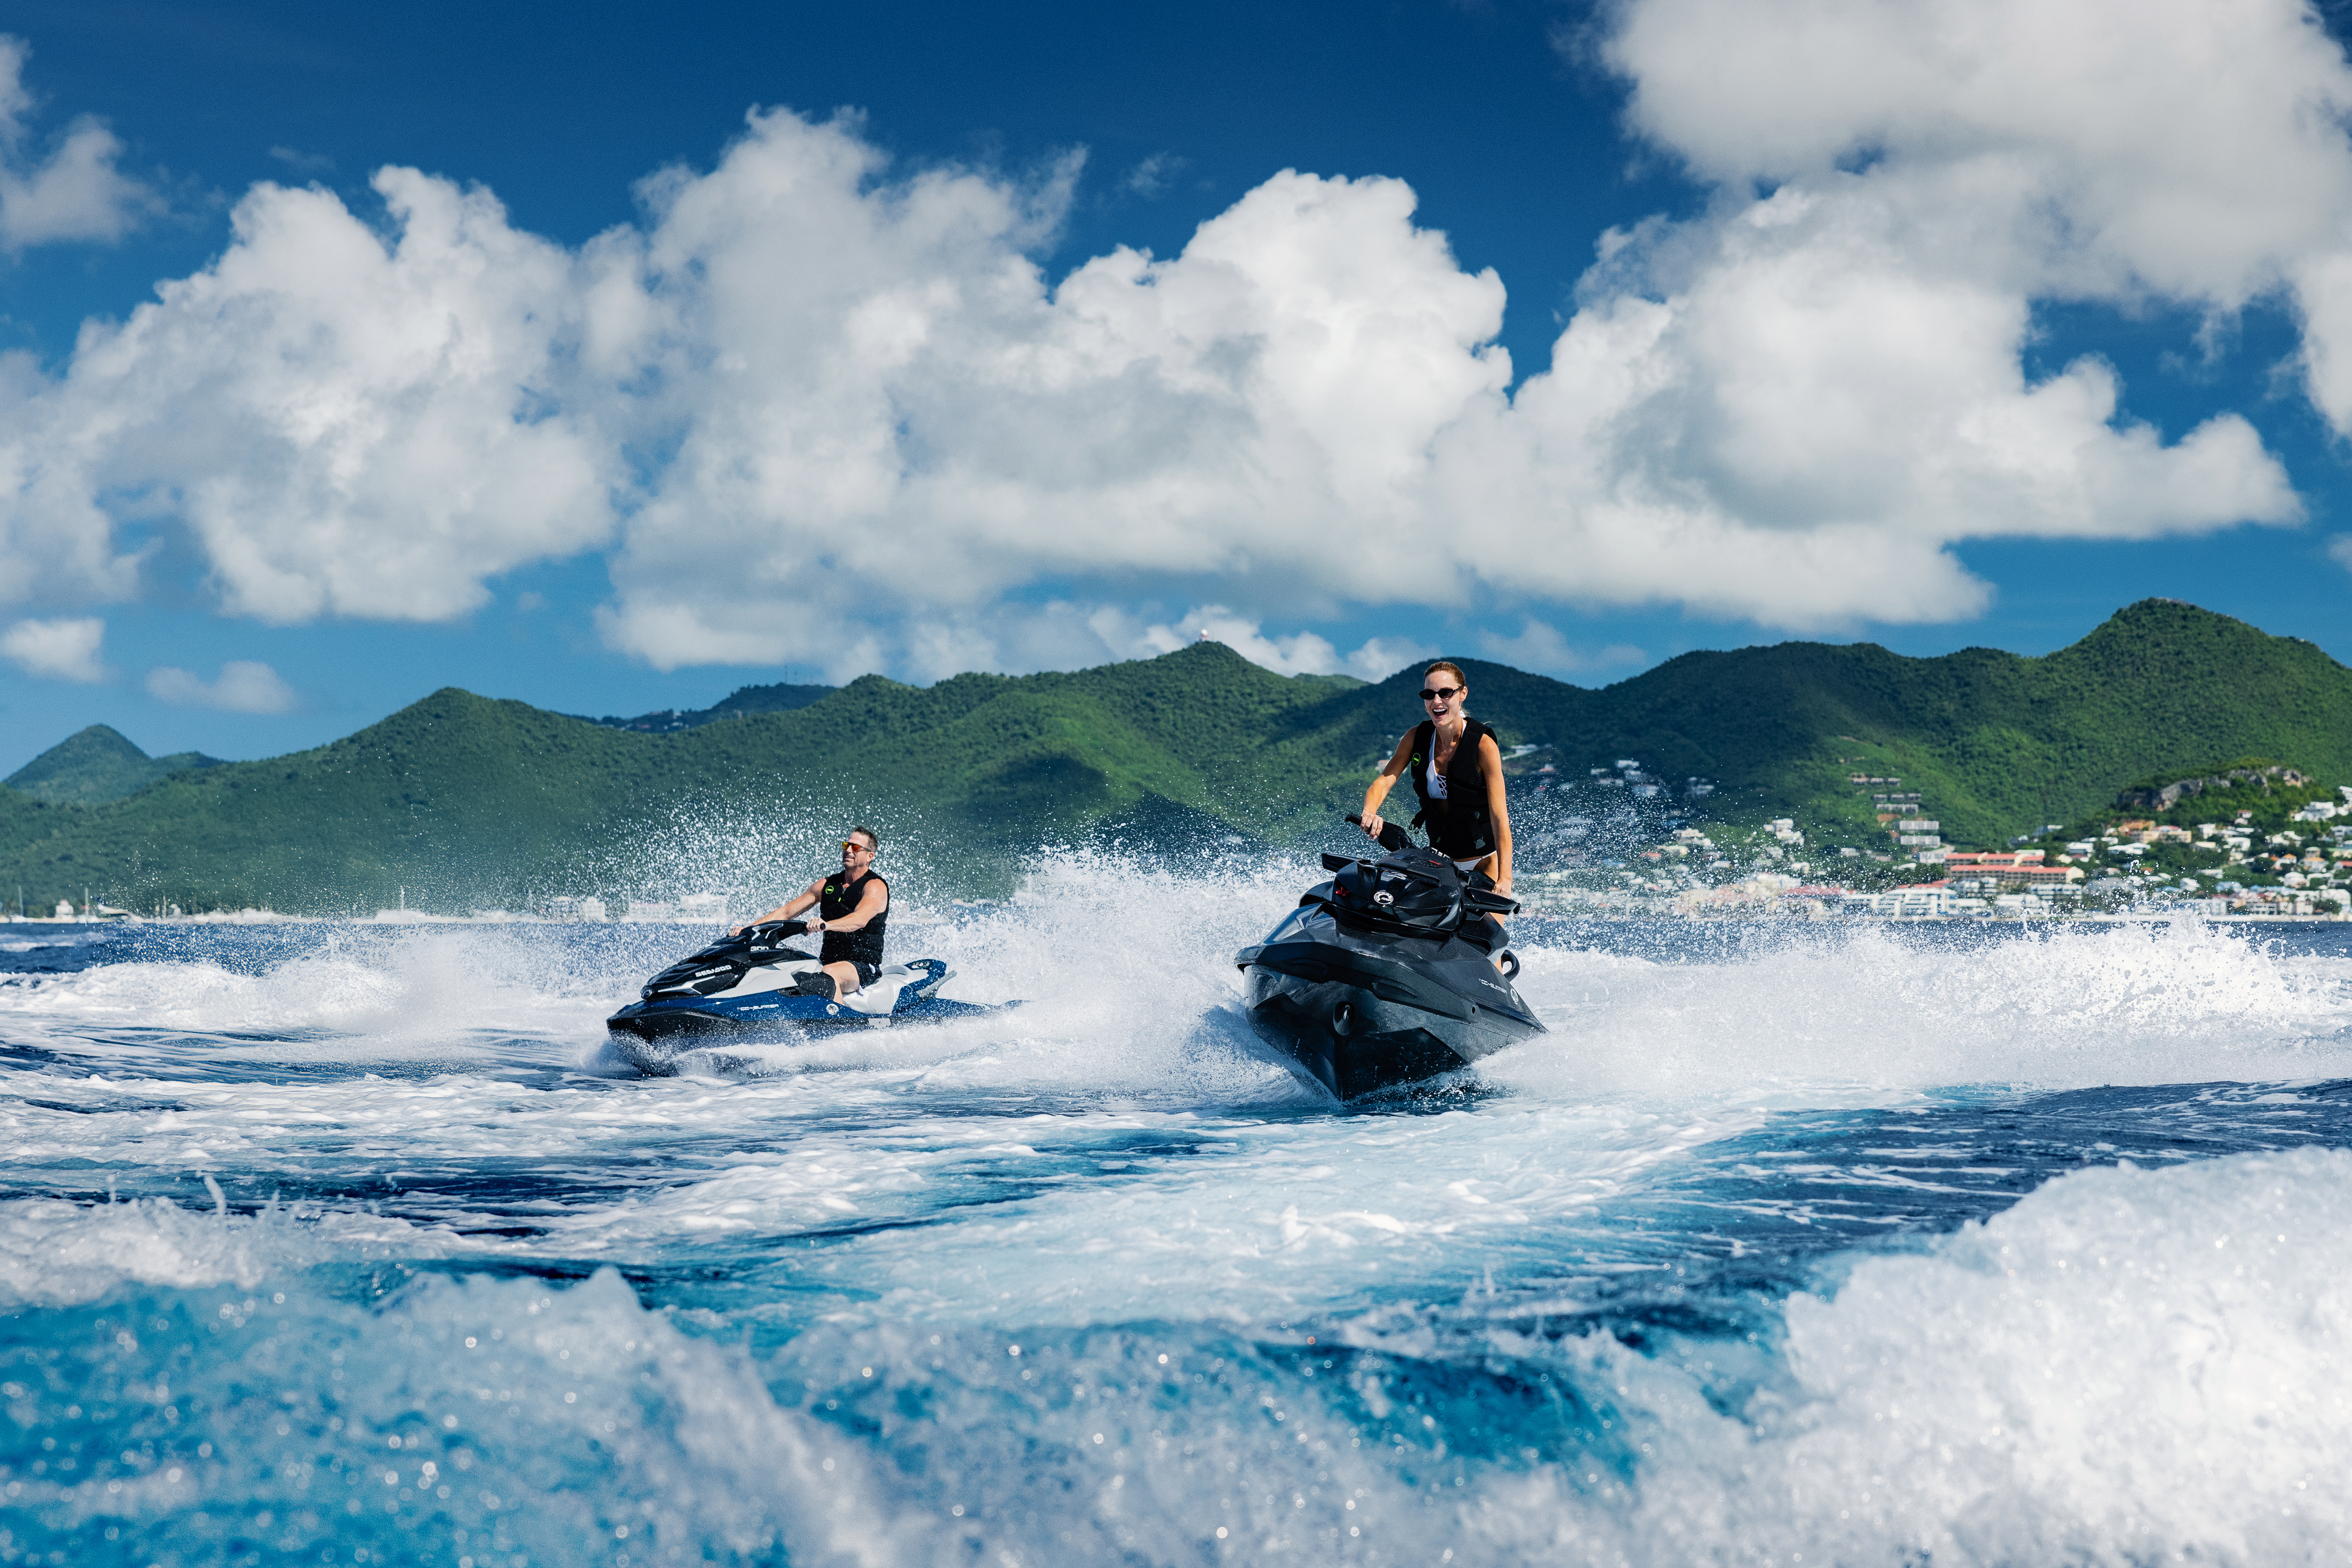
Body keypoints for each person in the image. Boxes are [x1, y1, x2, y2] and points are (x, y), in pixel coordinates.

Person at [1356, 661, 1514, 917]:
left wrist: (1505, 878)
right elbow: (1384, 780)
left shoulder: (1483, 745)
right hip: (1440, 862)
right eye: (1429, 695)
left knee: (1483, 944)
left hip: (1485, 862)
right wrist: (1370, 811)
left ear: (1462, 694)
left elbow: (1499, 816)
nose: (1437, 701)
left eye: (1445, 693)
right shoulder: (1416, 737)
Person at [732, 828, 889, 1000]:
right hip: (826, 961)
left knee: (830, 973)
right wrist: (747, 931)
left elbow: (860, 920)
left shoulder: (875, 886)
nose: (849, 851)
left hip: (863, 967)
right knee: (786, 964)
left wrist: (826, 925)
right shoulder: (826, 885)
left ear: (870, 857)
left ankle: (838, 1024)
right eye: (846, 845)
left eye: (856, 848)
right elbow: (785, 913)